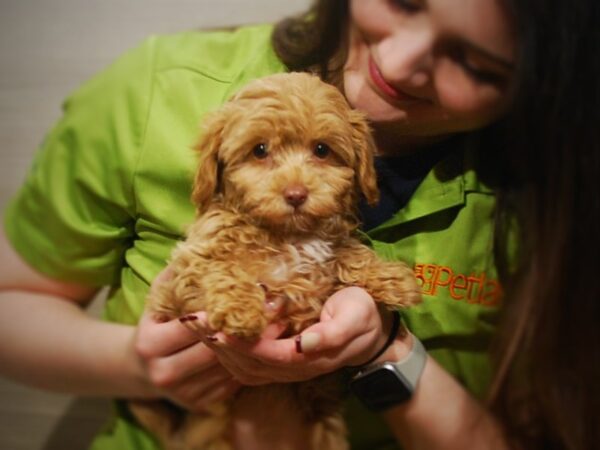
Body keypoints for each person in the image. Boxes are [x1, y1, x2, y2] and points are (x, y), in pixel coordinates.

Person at [0, 0, 597, 449]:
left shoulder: (554, 192)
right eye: (405, 0)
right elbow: (12, 304)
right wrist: (141, 364)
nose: (397, 62)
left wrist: (387, 350)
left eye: (473, 62)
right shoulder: (150, 90)